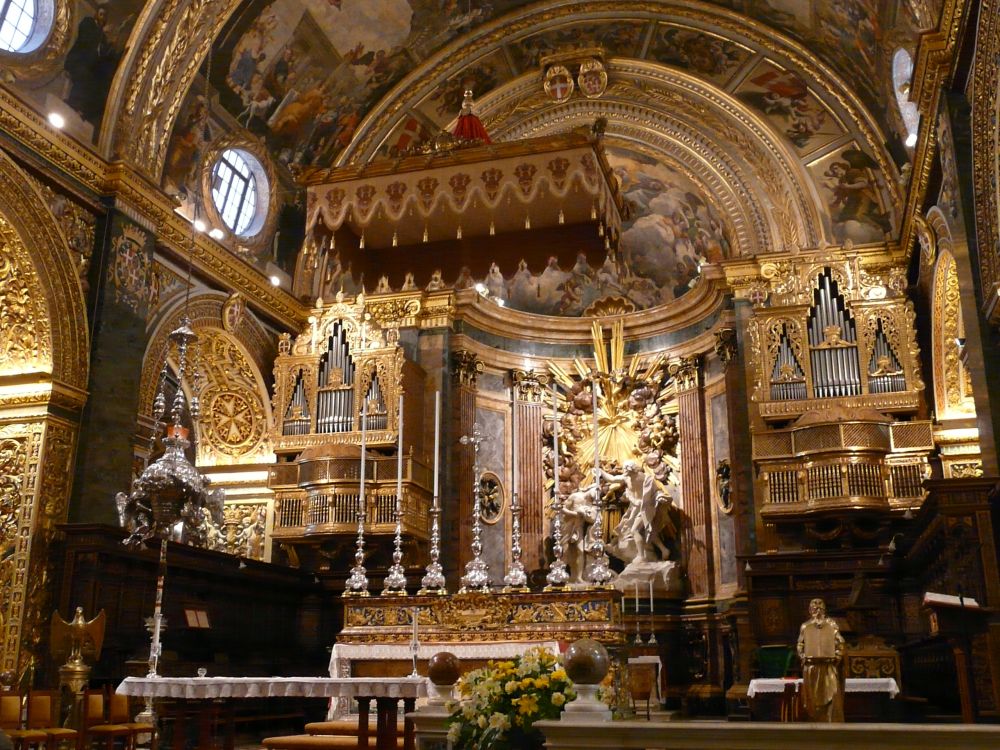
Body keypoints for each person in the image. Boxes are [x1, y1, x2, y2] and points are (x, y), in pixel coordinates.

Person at [600, 461, 673, 563]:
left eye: (626, 470)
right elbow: (612, 479)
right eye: (624, 470)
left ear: (632, 470)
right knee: (645, 529)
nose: (624, 472)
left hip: (645, 508)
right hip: (634, 508)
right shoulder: (627, 477)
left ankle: (641, 556)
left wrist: (660, 497)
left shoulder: (645, 478)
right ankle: (664, 550)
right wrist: (600, 471)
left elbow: (656, 491)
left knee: (635, 530)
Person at [796, 598, 845, 722]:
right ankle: (814, 723)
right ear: (810, 610)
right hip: (811, 667)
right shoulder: (805, 626)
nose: (817, 609)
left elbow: (840, 642)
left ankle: (833, 722)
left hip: (828, 667)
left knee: (833, 693)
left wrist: (837, 656)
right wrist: (803, 656)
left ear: (824, 609)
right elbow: (800, 644)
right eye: (814, 607)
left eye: (820, 607)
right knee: (812, 698)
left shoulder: (832, 625)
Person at [559, 483, 601, 584]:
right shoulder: (575, 496)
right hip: (567, 526)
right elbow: (562, 509)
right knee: (564, 550)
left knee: (580, 550)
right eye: (596, 490)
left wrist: (586, 515)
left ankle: (578, 577)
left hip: (578, 528)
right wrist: (577, 514)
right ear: (591, 488)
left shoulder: (591, 504)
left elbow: (592, 519)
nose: (596, 494)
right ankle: (560, 575)